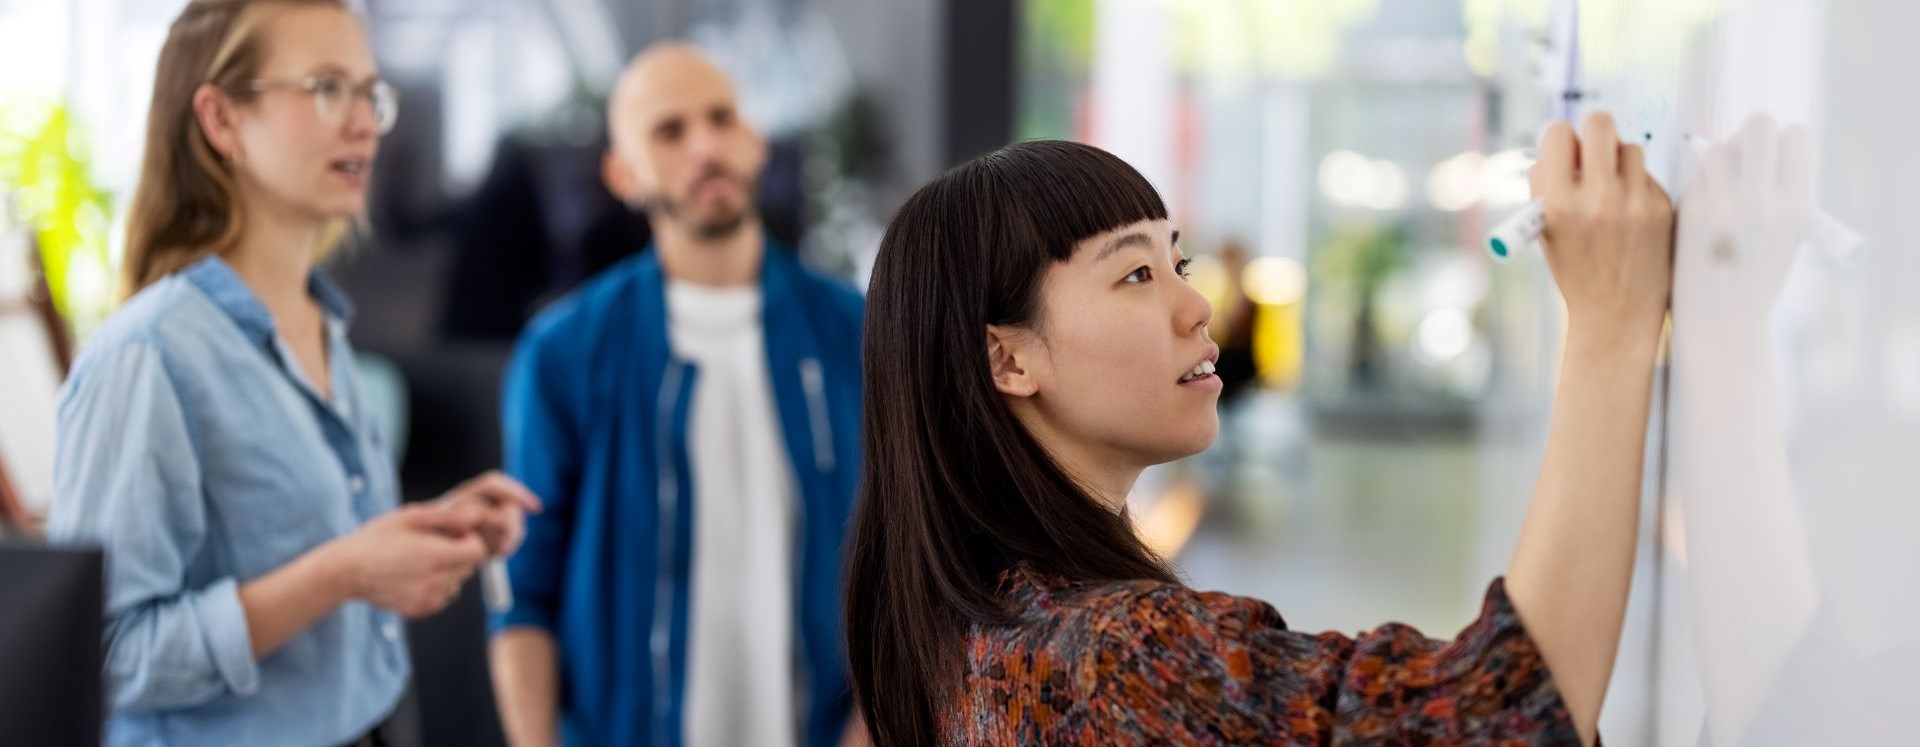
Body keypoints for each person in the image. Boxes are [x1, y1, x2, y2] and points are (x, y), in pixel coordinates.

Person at [844, 119, 1673, 745]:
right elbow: (1505, 710)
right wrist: (1610, 327)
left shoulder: (966, 626)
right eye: (1135, 273)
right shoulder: (1112, 660)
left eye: (1180, 263)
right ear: (1008, 359)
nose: (1196, 305)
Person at [47, 2, 539, 745]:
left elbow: (307, 545)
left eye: (370, 94)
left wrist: (423, 532)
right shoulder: (148, 356)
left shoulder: (321, 324)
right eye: (326, 87)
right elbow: (104, 656)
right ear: (221, 121)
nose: (366, 122)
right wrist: (342, 571)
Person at [487, 43, 866, 747]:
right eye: (669, 131)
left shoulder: (859, 331)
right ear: (621, 174)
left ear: (755, 142)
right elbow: (522, 590)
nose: (705, 146)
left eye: (722, 119)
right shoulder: (563, 353)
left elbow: (917, 567)